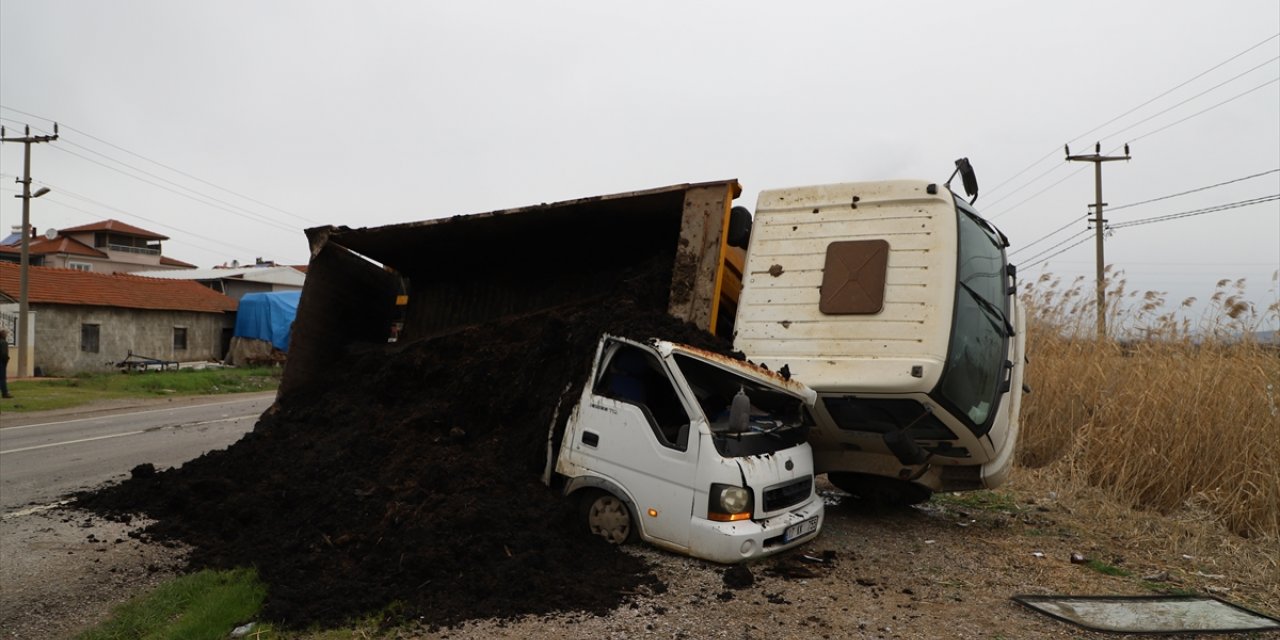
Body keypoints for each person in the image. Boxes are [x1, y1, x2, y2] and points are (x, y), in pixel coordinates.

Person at [0, 328, 12, 398]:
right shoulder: (4, 343)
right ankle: (5, 393)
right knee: (2, 378)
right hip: (1, 362)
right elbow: (4, 354)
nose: (7, 335)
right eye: (6, 334)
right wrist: (6, 360)